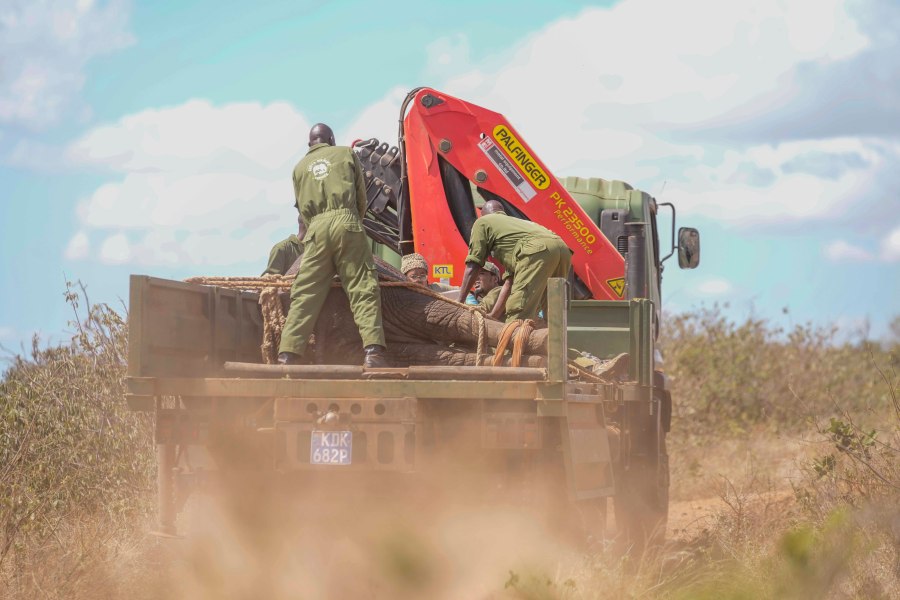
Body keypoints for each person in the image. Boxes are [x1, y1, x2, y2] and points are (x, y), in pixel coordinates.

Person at [277, 123, 388, 368]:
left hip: (315, 229)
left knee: (305, 292)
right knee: (362, 288)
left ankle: (288, 354)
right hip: (347, 222)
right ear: (331, 139)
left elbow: (301, 207)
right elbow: (361, 196)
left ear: (310, 144)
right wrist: (353, 225)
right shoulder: (344, 154)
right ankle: (373, 353)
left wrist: (317, 229)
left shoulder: (298, 168)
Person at [456, 200, 571, 322]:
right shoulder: (516, 228)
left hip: (537, 250)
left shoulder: (483, 222)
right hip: (562, 248)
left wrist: (459, 303)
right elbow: (510, 282)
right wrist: (493, 316)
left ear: (484, 214)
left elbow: (474, 264)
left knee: (518, 312)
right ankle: (557, 340)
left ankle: (515, 340)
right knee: (554, 310)